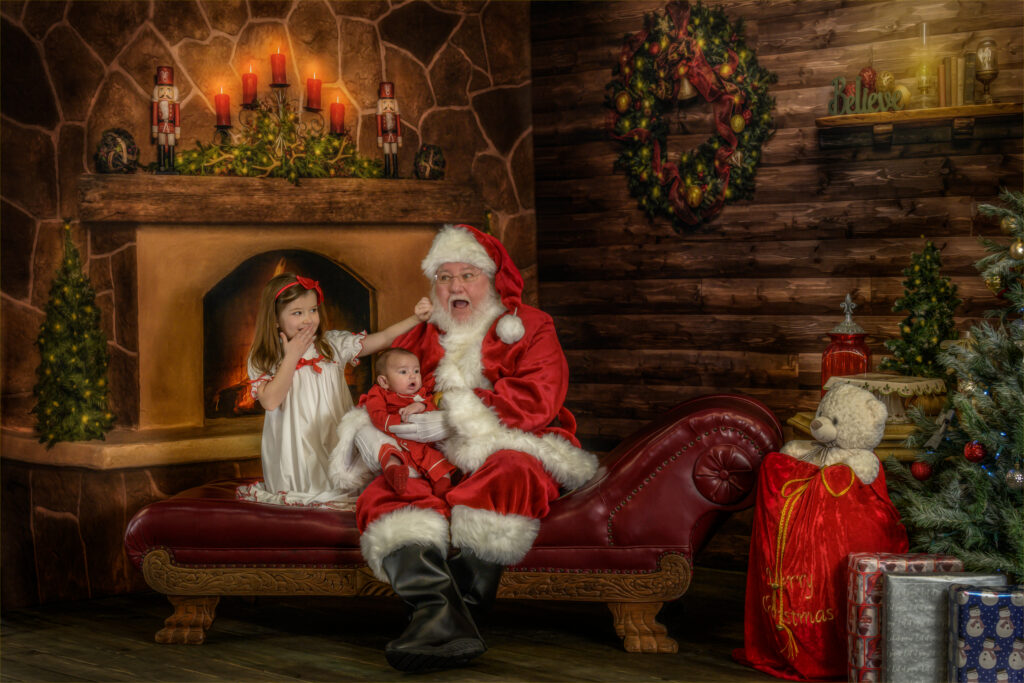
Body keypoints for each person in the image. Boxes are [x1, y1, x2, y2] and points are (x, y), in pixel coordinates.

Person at [335, 224, 598, 672]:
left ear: (492, 279)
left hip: (514, 442)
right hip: (428, 455)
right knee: (389, 491)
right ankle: (439, 616)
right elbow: (383, 391)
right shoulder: (423, 332)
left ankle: (458, 612)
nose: (454, 287)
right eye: (444, 277)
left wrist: (455, 420)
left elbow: (539, 397)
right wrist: (370, 429)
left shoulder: (529, 326)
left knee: (510, 471)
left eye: (467, 275)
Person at [239, 272, 431, 509]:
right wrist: (292, 356)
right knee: (306, 489)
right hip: (296, 447)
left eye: (313, 310)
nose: (309, 319)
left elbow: (383, 339)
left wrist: (416, 318)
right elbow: (270, 401)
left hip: (333, 436)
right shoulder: (264, 357)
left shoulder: (332, 345)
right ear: (275, 319)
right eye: (297, 313)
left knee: (343, 480)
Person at [358, 347, 456, 496]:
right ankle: (395, 474)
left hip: (420, 445)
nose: (412, 376)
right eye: (404, 372)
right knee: (389, 454)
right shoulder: (378, 393)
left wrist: (421, 405)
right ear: (384, 381)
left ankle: (444, 492)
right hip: (394, 439)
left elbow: (433, 406)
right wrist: (399, 423)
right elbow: (377, 416)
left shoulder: (421, 394)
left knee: (440, 465)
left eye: (416, 371)